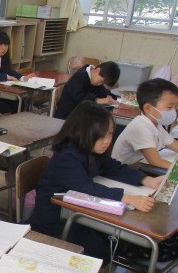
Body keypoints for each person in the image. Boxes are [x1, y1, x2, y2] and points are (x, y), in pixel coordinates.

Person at [30, 101, 161, 259]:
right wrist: (128, 199)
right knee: (101, 249)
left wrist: (146, 179)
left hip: (79, 211)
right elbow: (86, 188)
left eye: (110, 134)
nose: (107, 140)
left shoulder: (91, 148)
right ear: (82, 132)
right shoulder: (67, 156)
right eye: (101, 136)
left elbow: (112, 167)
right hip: (55, 218)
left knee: (116, 239)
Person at [112, 78, 178, 168]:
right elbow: (155, 161)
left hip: (139, 166)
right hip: (124, 171)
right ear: (148, 108)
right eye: (169, 107)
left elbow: (174, 145)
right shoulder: (141, 127)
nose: (174, 111)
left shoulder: (156, 125)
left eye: (175, 107)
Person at [53, 61, 120, 119]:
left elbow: (101, 91)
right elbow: (79, 98)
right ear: (97, 70)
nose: (100, 84)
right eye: (101, 81)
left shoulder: (94, 78)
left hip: (81, 114)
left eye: (103, 83)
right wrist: (97, 100)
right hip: (68, 116)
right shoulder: (79, 77)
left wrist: (109, 96)